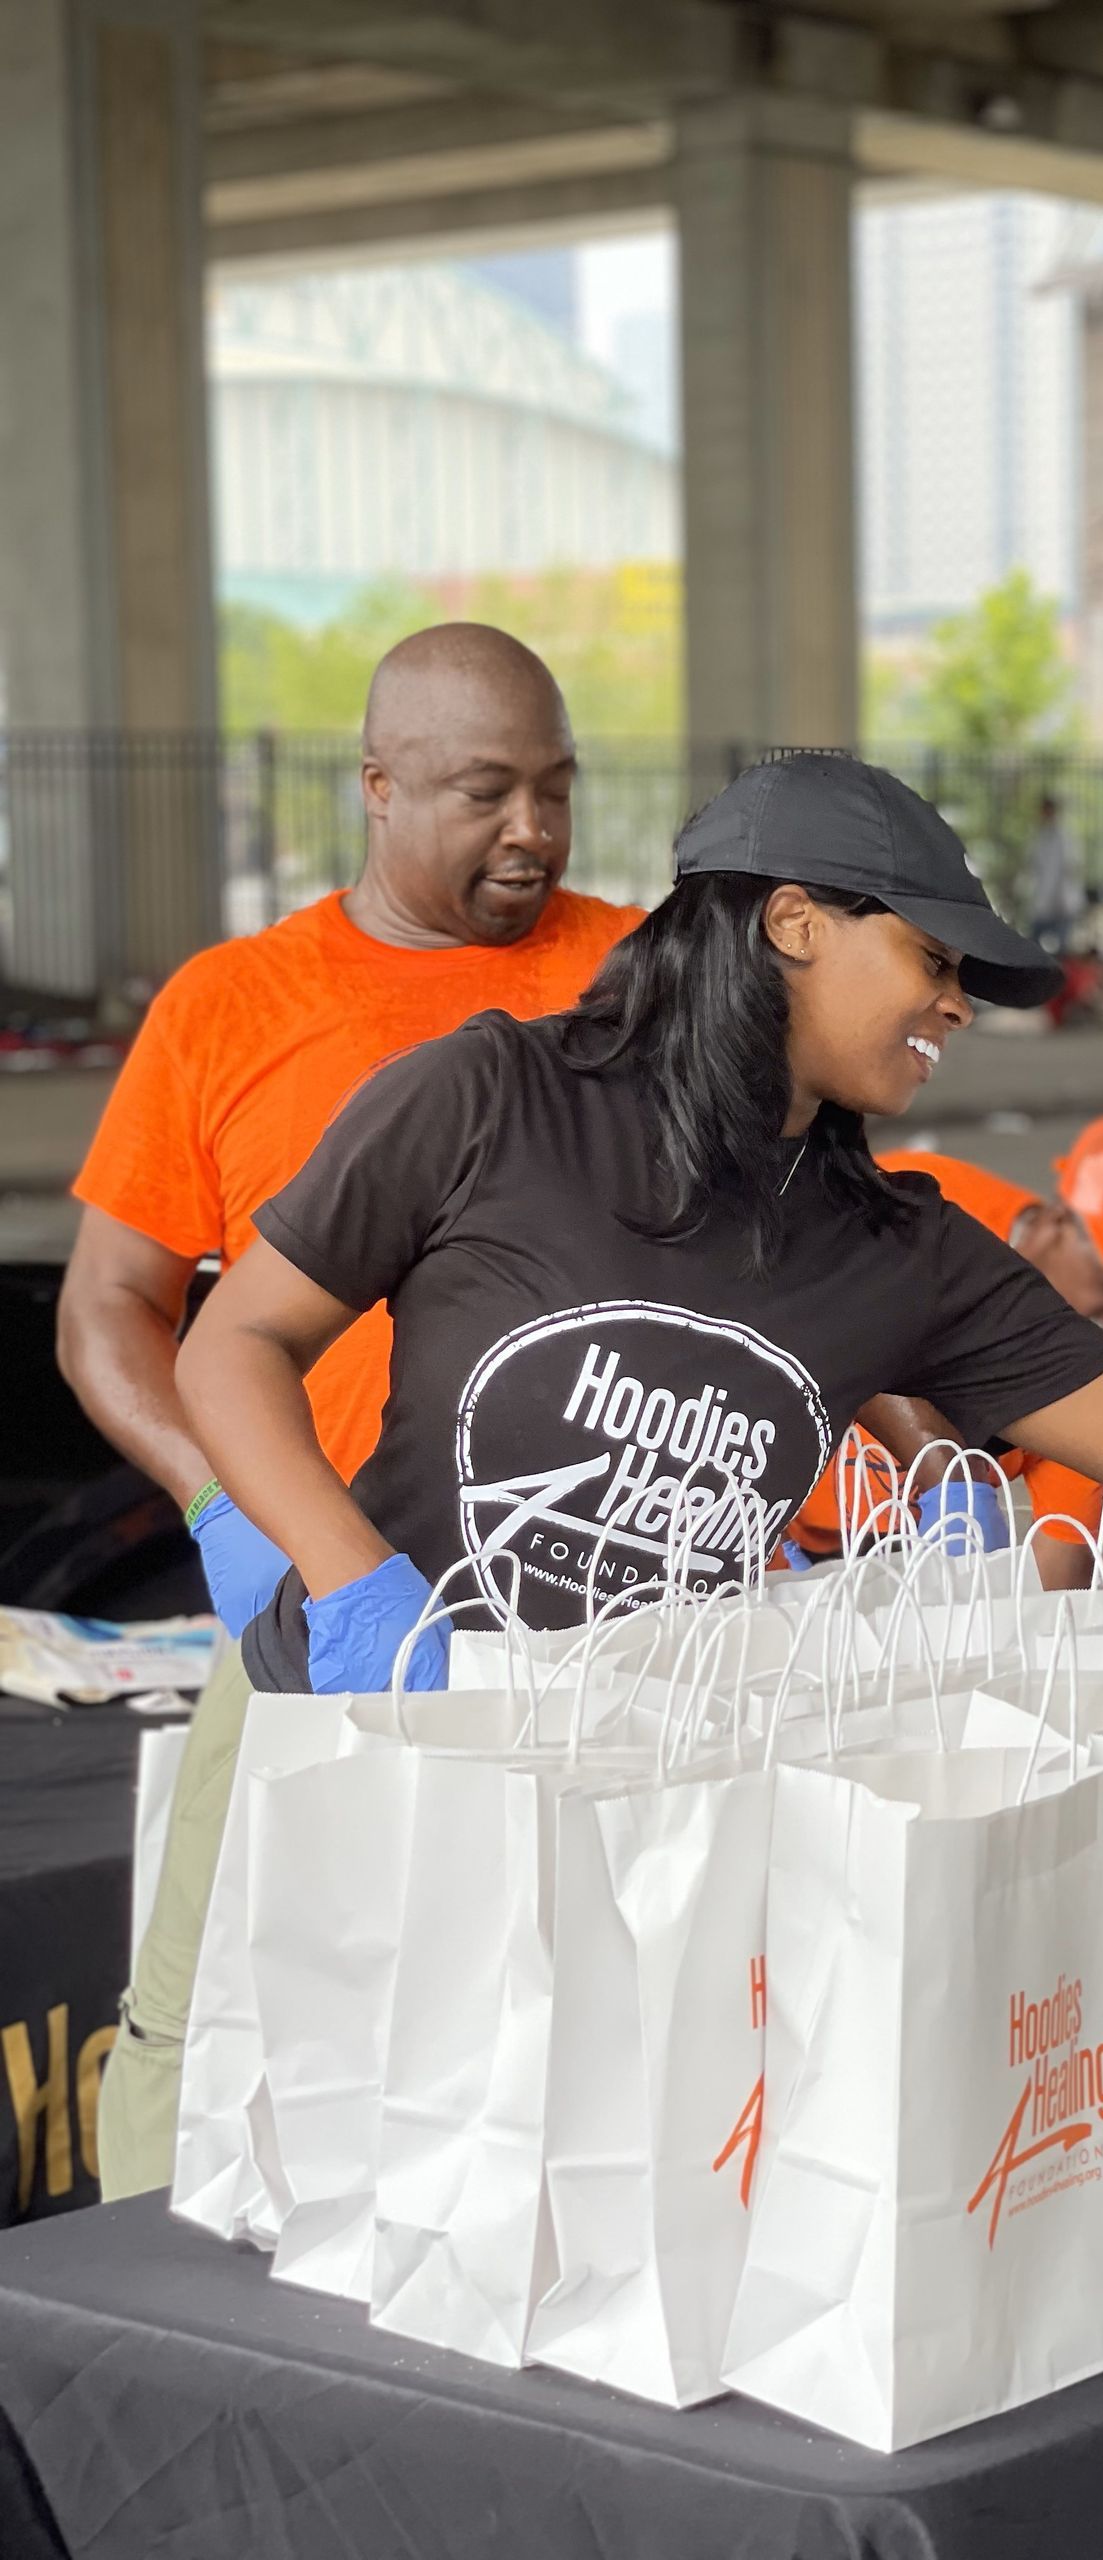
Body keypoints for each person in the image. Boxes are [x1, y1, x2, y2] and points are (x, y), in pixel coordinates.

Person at [173, 749, 1103, 1715]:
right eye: (932, 958)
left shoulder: (889, 1245)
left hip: (639, 1759)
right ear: (791, 923)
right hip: (374, 1721)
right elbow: (235, 1338)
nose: (958, 1007)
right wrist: (341, 1571)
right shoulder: (492, 1096)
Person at [71, 622, 645, 2198]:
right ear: (377, 790)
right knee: (211, 2005)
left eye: (555, 789)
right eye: (482, 793)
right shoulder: (232, 1007)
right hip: (328, 1603)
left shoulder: (641, 976)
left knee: (583, 2008)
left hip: (585, 1610)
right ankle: (146, 2303)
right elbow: (107, 1310)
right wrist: (227, 1511)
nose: (532, 830)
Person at [783, 1116, 1103, 1589]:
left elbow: (1059, 1580)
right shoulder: (915, 1202)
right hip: (744, 1519)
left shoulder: (1091, 1388)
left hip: (907, 1575)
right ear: (1058, 1223)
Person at [1028, 793, 1080, 953]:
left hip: (1062, 903)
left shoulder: (1064, 837)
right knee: (1035, 945)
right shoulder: (1040, 836)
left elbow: (1069, 868)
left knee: (1061, 949)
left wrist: (1060, 899)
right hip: (1043, 901)